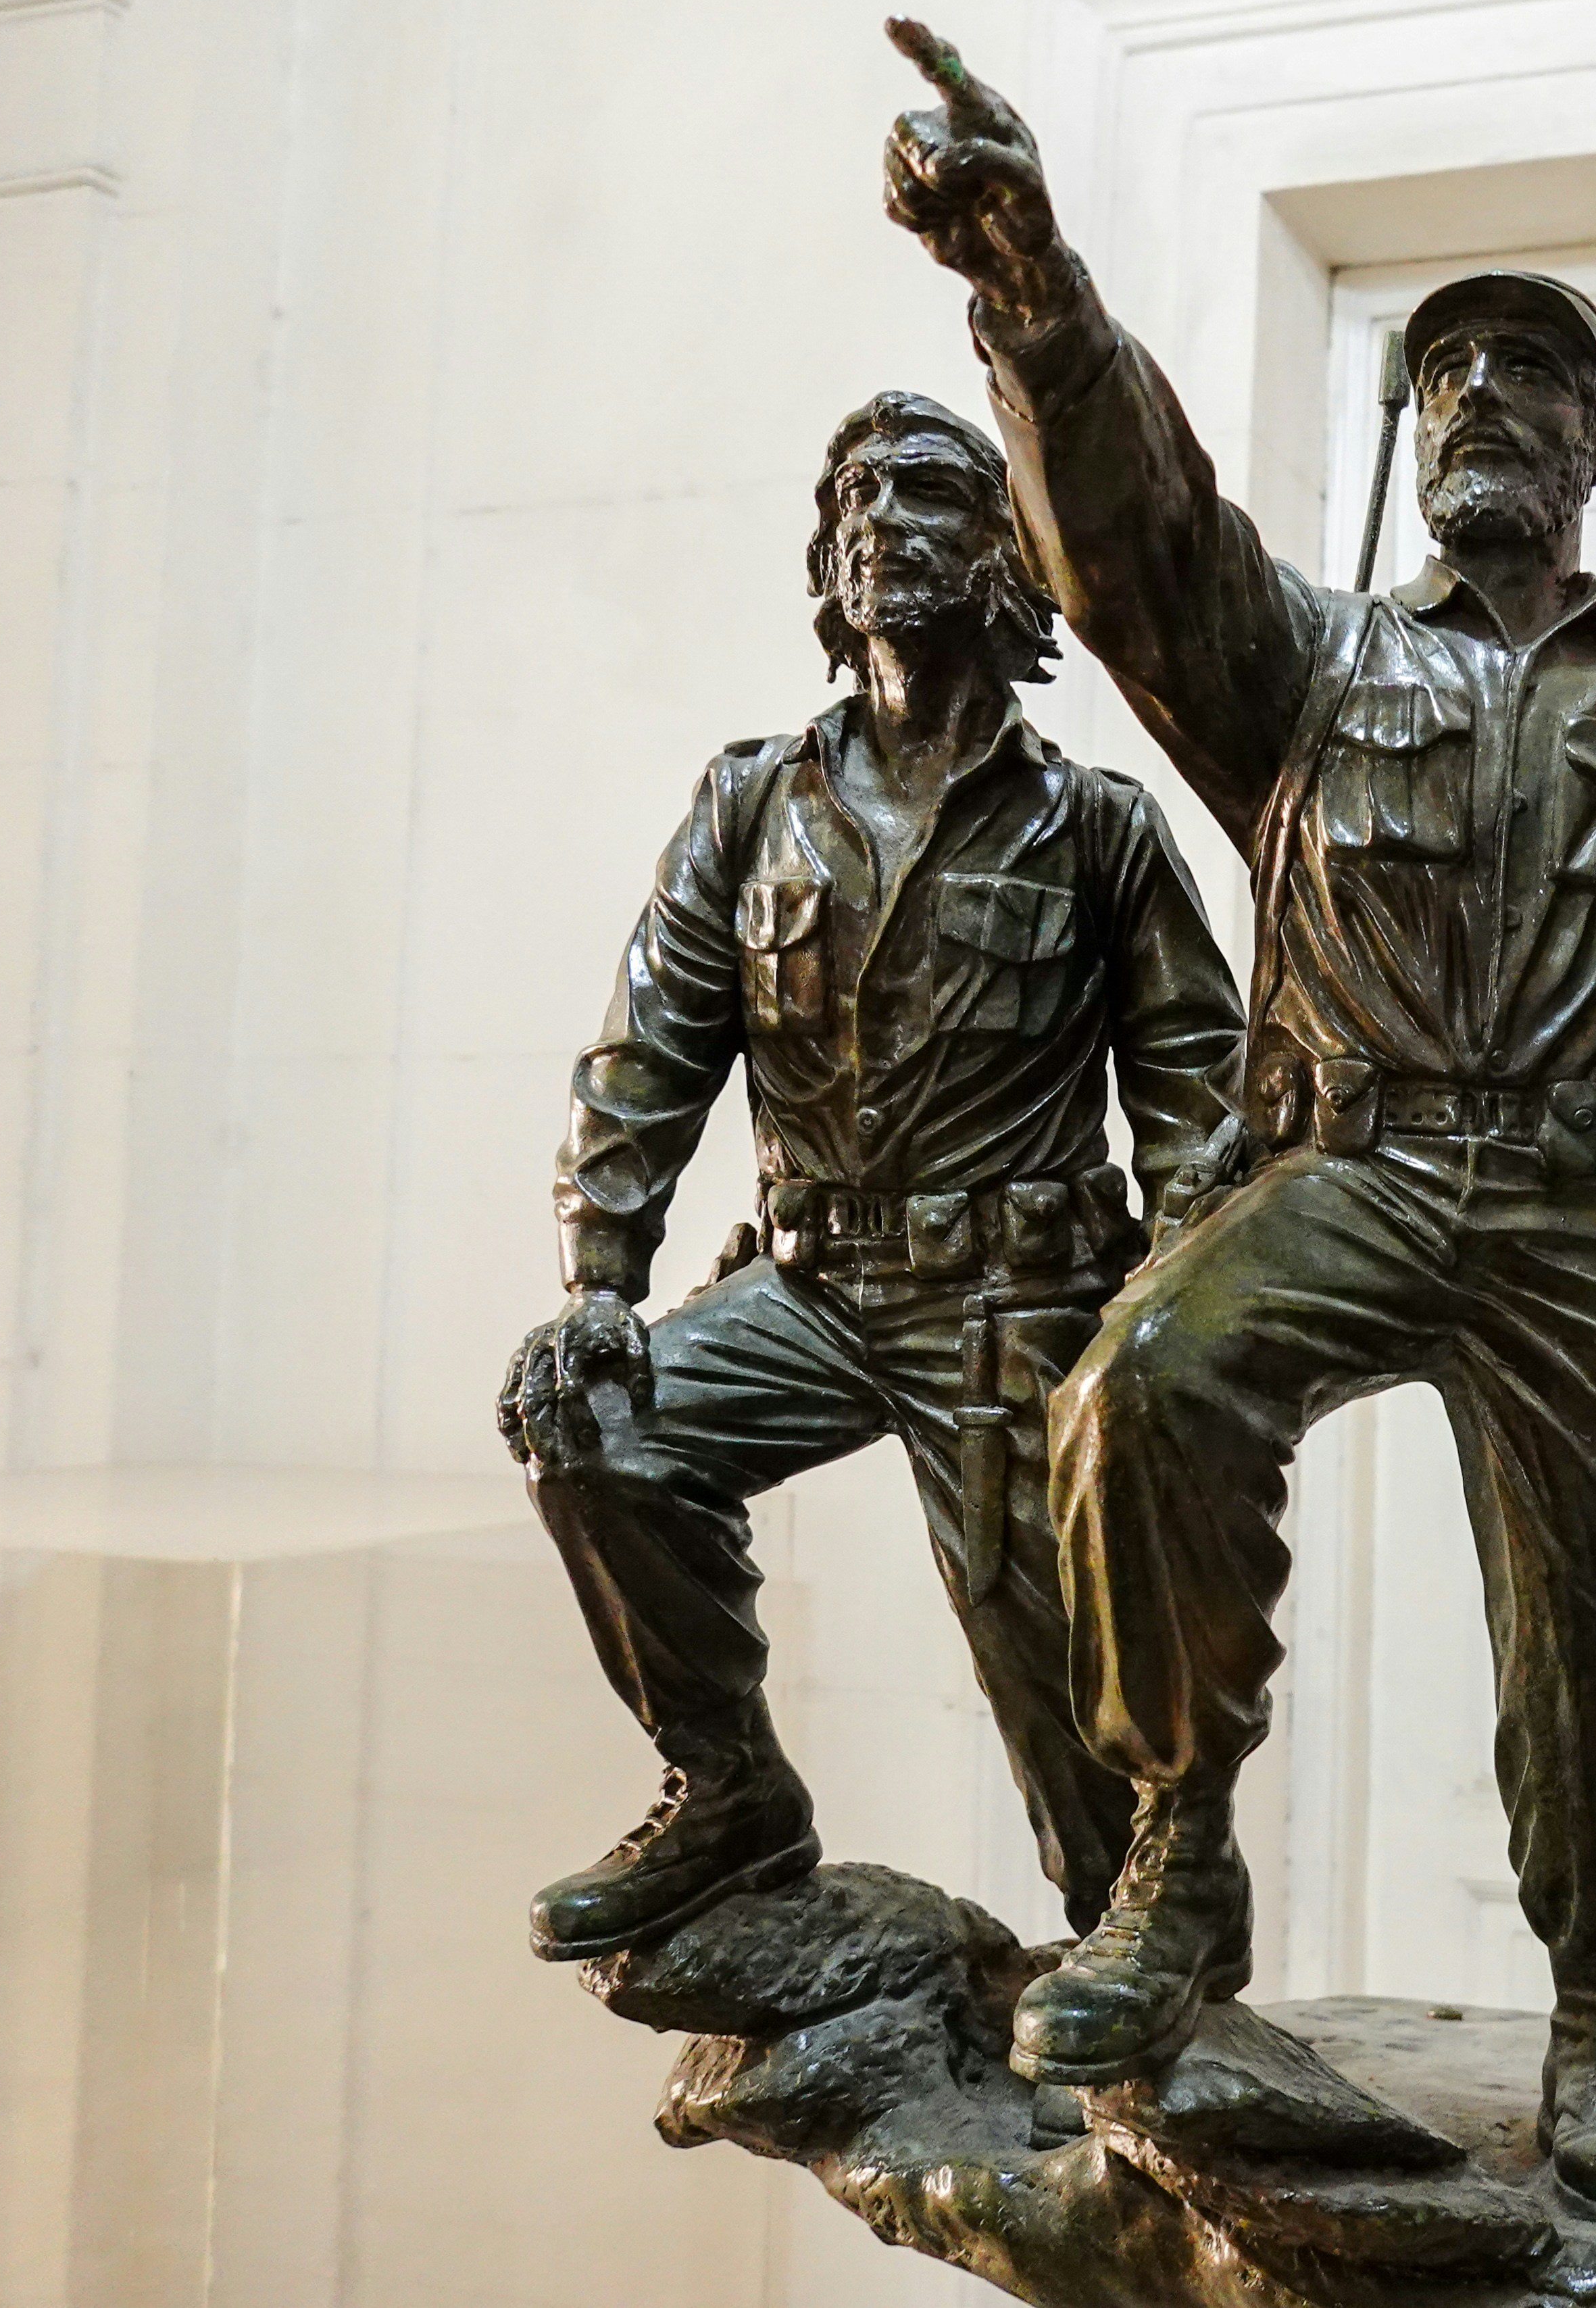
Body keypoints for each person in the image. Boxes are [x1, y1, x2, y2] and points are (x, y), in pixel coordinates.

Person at [876, 22, 1596, 2227]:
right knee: (1143, 1385)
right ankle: (1175, 1858)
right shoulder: (1303, 664)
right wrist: (1029, 288)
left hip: (1592, 1208)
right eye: (1446, 380)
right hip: (1351, 1167)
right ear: (1410, 444)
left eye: (1529, 379)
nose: (1483, 402)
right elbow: (1128, 537)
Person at [497, 391, 1243, 1967]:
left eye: (924, 494)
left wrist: (1176, 1317)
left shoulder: (1094, 828)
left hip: (1016, 1307)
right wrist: (598, 1284)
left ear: (1000, 559)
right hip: (814, 1287)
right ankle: (728, 1789)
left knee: (1050, 1665)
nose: (877, 524)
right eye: (852, 501)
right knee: (599, 1434)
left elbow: (1195, 1089)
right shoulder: (753, 803)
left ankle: (1152, 1966)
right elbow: (645, 1057)